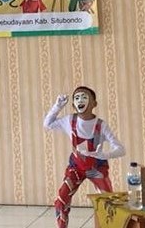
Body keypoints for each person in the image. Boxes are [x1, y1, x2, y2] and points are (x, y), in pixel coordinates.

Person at [43, 86, 125, 228]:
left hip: (97, 169)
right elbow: (47, 124)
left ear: (94, 103)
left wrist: (104, 155)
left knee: (108, 204)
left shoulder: (101, 125)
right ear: (73, 105)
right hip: (76, 168)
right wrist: (57, 106)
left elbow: (121, 149)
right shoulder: (69, 121)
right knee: (61, 200)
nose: (80, 100)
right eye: (77, 98)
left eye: (84, 97)